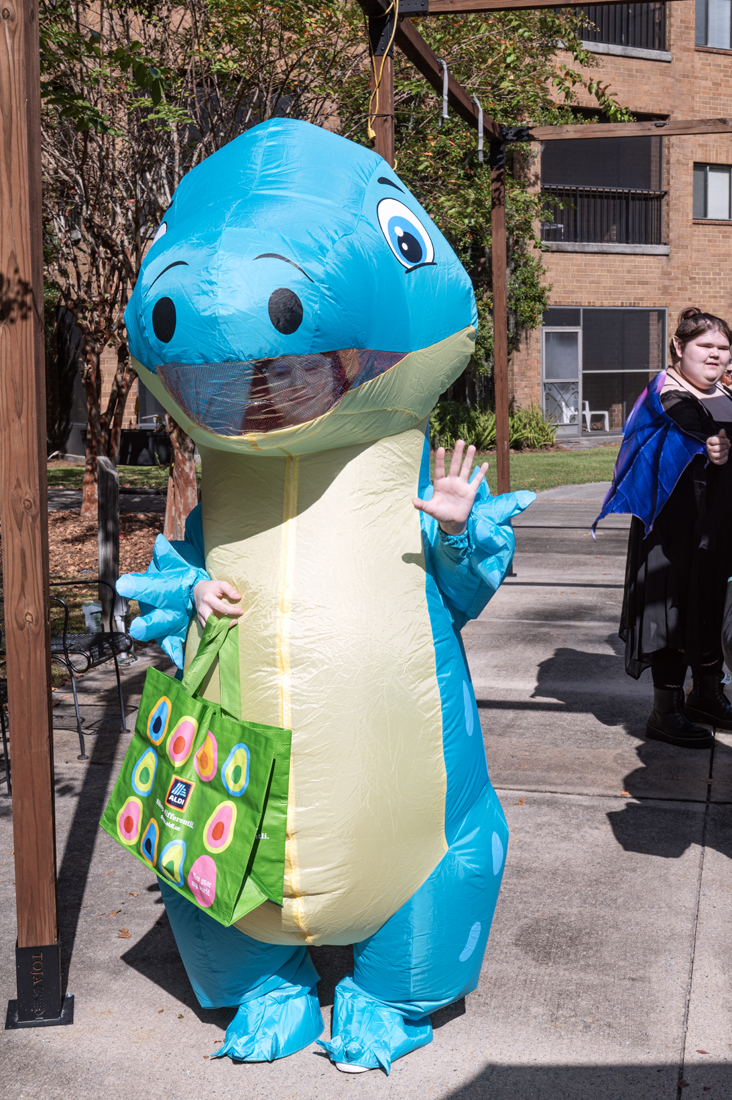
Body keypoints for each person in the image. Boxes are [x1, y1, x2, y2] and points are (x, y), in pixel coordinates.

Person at [600, 307, 732, 748]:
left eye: (724, 348)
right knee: (671, 614)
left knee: (711, 607)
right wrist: (712, 449)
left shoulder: (722, 394)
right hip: (674, 531)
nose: (715, 356)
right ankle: (666, 711)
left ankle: (708, 696)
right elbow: (692, 439)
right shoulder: (665, 396)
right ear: (679, 347)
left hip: (716, 526)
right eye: (705, 346)